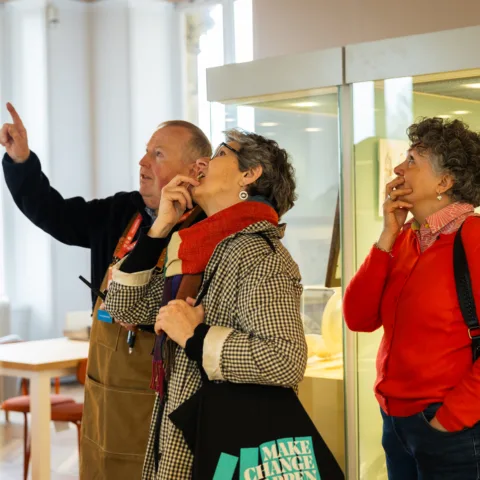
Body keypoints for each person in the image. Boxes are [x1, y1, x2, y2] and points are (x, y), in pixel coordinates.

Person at [0, 102, 211, 479]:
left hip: (164, 386)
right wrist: (21, 162)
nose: (143, 162)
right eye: (146, 151)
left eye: (157, 154)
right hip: (103, 382)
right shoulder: (120, 211)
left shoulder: (208, 230)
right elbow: (55, 214)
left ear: (195, 171)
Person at [104, 129, 308, 479]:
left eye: (219, 154)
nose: (203, 164)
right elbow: (125, 308)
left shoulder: (259, 254)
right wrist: (160, 228)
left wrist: (197, 336)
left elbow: (285, 359)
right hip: (187, 432)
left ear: (250, 173)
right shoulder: (198, 248)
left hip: (224, 447)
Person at [343, 117, 480, 480]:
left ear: (444, 182)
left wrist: (451, 419)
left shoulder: (474, 238)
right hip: (396, 422)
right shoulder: (404, 240)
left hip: (450, 427)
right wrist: (387, 234)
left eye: (413, 161)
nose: (399, 170)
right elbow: (358, 318)